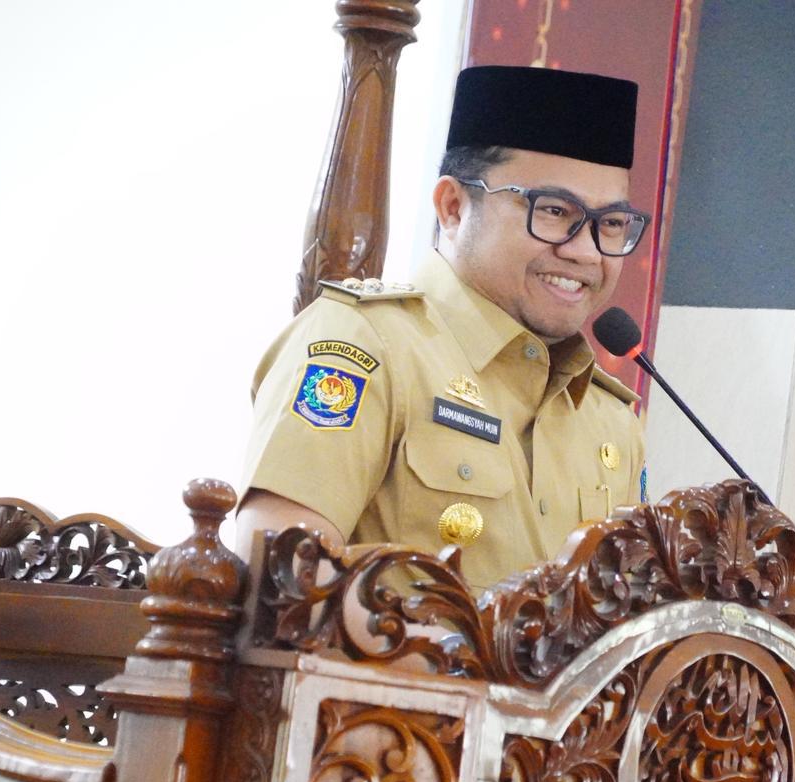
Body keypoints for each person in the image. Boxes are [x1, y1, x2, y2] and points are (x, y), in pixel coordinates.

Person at [237, 65, 650, 589]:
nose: (586, 252)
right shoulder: (363, 345)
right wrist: (443, 640)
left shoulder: (611, 419)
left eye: (610, 224)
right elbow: (280, 576)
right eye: (553, 211)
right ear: (453, 207)